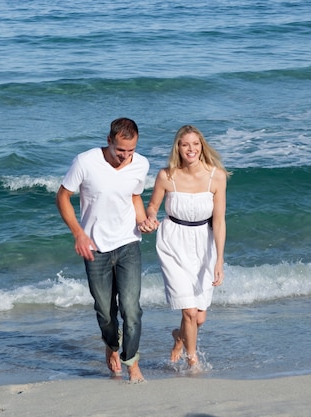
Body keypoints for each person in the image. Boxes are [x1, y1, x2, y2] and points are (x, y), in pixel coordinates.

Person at [56, 117, 154, 383]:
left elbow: (134, 196)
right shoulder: (85, 162)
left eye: (131, 151)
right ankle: (111, 345)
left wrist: (142, 220)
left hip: (128, 244)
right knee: (105, 312)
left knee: (132, 310)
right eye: (120, 150)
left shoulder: (141, 164)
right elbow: (62, 195)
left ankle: (131, 362)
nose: (125, 157)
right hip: (95, 248)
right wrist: (78, 233)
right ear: (109, 140)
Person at [144, 125, 230, 370]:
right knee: (190, 312)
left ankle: (179, 337)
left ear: (201, 145)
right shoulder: (166, 176)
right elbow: (152, 206)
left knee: (199, 318)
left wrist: (219, 260)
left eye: (195, 144)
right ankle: (193, 362)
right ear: (178, 148)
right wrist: (150, 217)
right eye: (185, 145)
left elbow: (219, 221)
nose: (190, 149)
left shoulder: (217, 176)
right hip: (173, 242)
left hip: (203, 243)